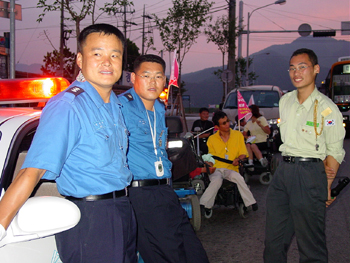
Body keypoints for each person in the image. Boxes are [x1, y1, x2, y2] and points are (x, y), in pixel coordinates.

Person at [0, 24, 137, 262]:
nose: (107, 62)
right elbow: (32, 172)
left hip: (122, 211)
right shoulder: (68, 106)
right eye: (97, 54)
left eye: (115, 55)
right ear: (80, 60)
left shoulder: (114, 104)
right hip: (91, 221)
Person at [119, 54, 209, 263]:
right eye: (146, 75)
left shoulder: (159, 107)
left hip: (165, 189)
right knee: (168, 255)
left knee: (194, 253)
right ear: (133, 78)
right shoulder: (121, 107)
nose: (153, 82)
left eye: (158, 76)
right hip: (140, 192)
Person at [264, 48, 345, 263]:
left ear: (316, 69)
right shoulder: (285, 101)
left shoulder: (328, 109)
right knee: (274, 241)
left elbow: (335, 150)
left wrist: (326, 185)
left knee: (310, 245)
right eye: (292, 68)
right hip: (283, 172)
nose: (296, 72)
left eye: (302, 67)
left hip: (309, 173)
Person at [200, 111, 258, 217]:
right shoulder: (212, 139)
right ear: (217, 126)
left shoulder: (238, 135)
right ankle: (205, 204)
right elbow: (210, 157)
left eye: (227, 121)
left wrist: (238, 159)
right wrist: (208, 165)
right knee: (216, 180)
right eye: (223, 123)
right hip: (217, 168)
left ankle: (250, 202)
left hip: (232, 168)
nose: (227, 124)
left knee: (239, 178)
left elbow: (243, 154)